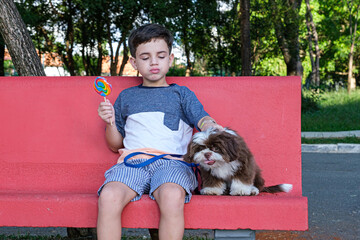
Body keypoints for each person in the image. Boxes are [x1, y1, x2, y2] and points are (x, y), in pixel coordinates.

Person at [96, 23, 223, 240]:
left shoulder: (181, 94)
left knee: (172, 195)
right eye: (145, 58)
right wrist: (109, 122)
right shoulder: (126, 97)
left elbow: (201, 118)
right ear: (134, 63)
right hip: (133, 163)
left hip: (173, 163)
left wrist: (210, 126)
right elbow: (115, 145)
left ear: (170, 59)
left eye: (160, 56)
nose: (153, 62)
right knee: (109, 196)